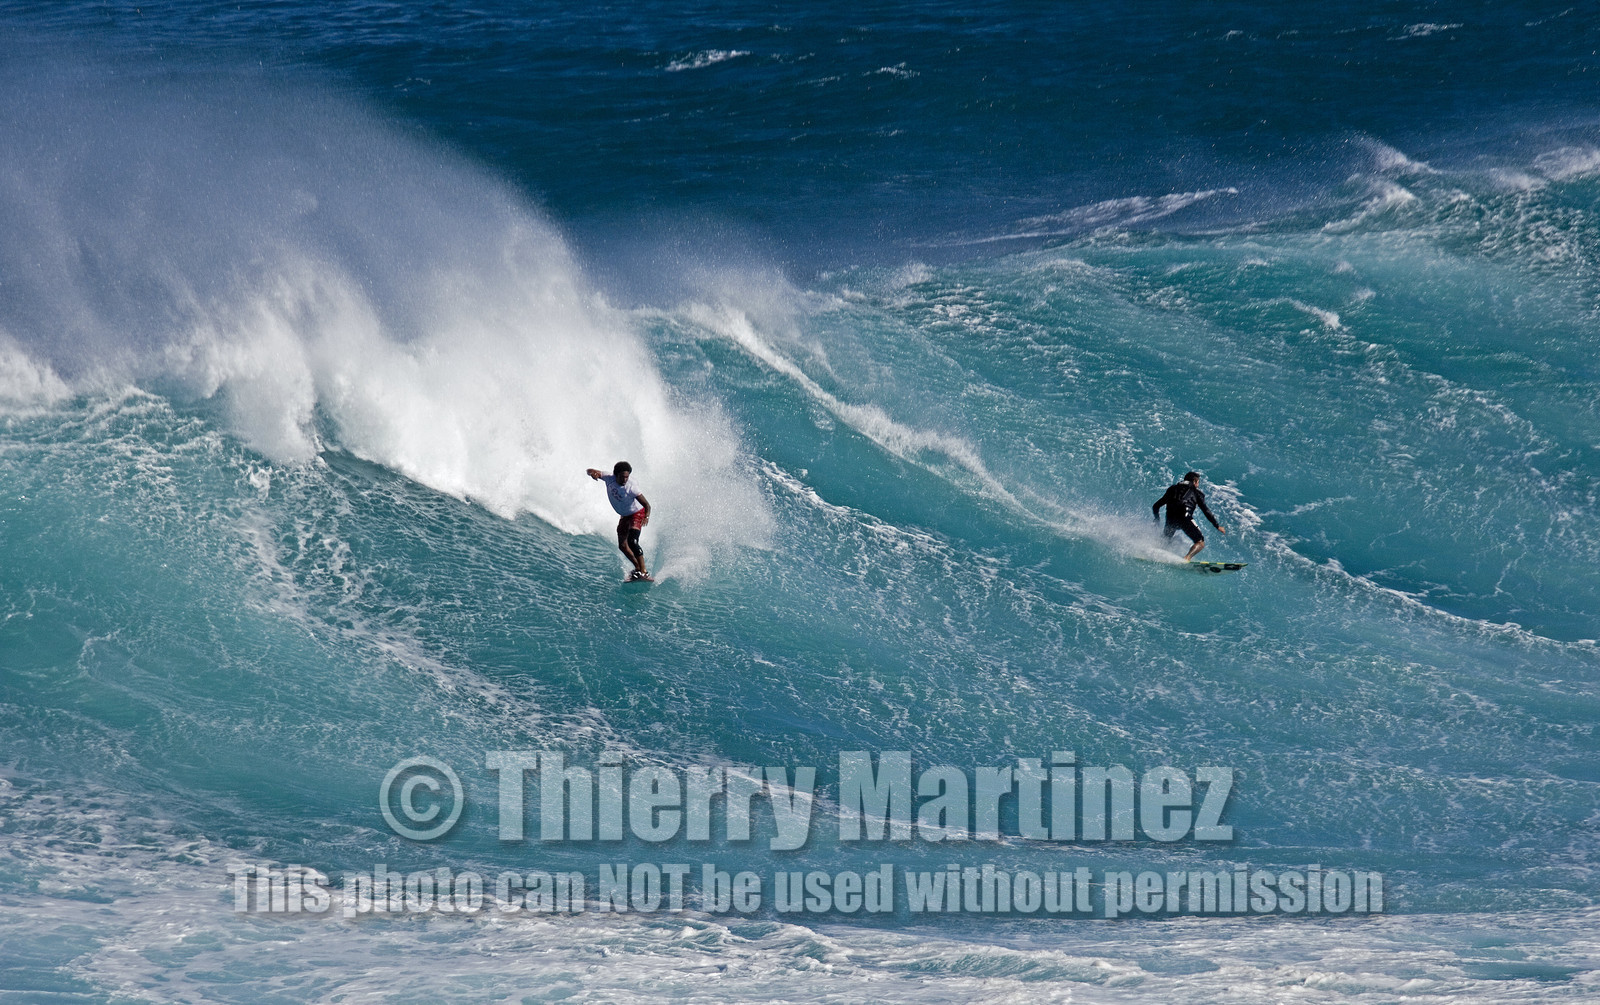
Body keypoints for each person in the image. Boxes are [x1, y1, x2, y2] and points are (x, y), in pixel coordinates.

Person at [587, 461, 652, 581]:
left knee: (632, 541)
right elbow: (590, 470)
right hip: (624, 516)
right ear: (615, 475)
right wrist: (592, 474)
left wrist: (646, 516)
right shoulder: (609, 477)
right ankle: (637, 568)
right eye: (622, 477)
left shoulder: (632, 487)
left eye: (627, 477)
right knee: (622, 545)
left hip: (637, 514)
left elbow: (647, 505)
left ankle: (644, 572)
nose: (625, 479)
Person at [1152, 471, 1226, 561]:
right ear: (1195, 481)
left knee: (1165, 540)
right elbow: (1206, 510)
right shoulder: (1197, 492)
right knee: (1200, 542)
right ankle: (1187, 558)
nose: (1198, 485)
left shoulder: (1172, 489)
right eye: (1198, 482)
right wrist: (1217, 525)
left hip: (1171, 519)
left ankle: (1154, 554)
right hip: (1184, 519)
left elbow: (1156, 506)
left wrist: (1157, 519)